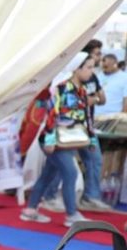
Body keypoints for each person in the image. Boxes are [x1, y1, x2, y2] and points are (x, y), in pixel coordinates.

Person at [20, 53, 96, 227]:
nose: (91, 71)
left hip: (69, 139)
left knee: (48, 174)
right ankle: (72, 214)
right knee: (70, 173)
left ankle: (30, 210)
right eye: (89, 67)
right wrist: (50, 140)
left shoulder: (82, 91)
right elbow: (51, 115)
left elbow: (87, 116)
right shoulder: (60, 88)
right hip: (54, 139)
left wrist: (91, 138)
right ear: (76, 68)